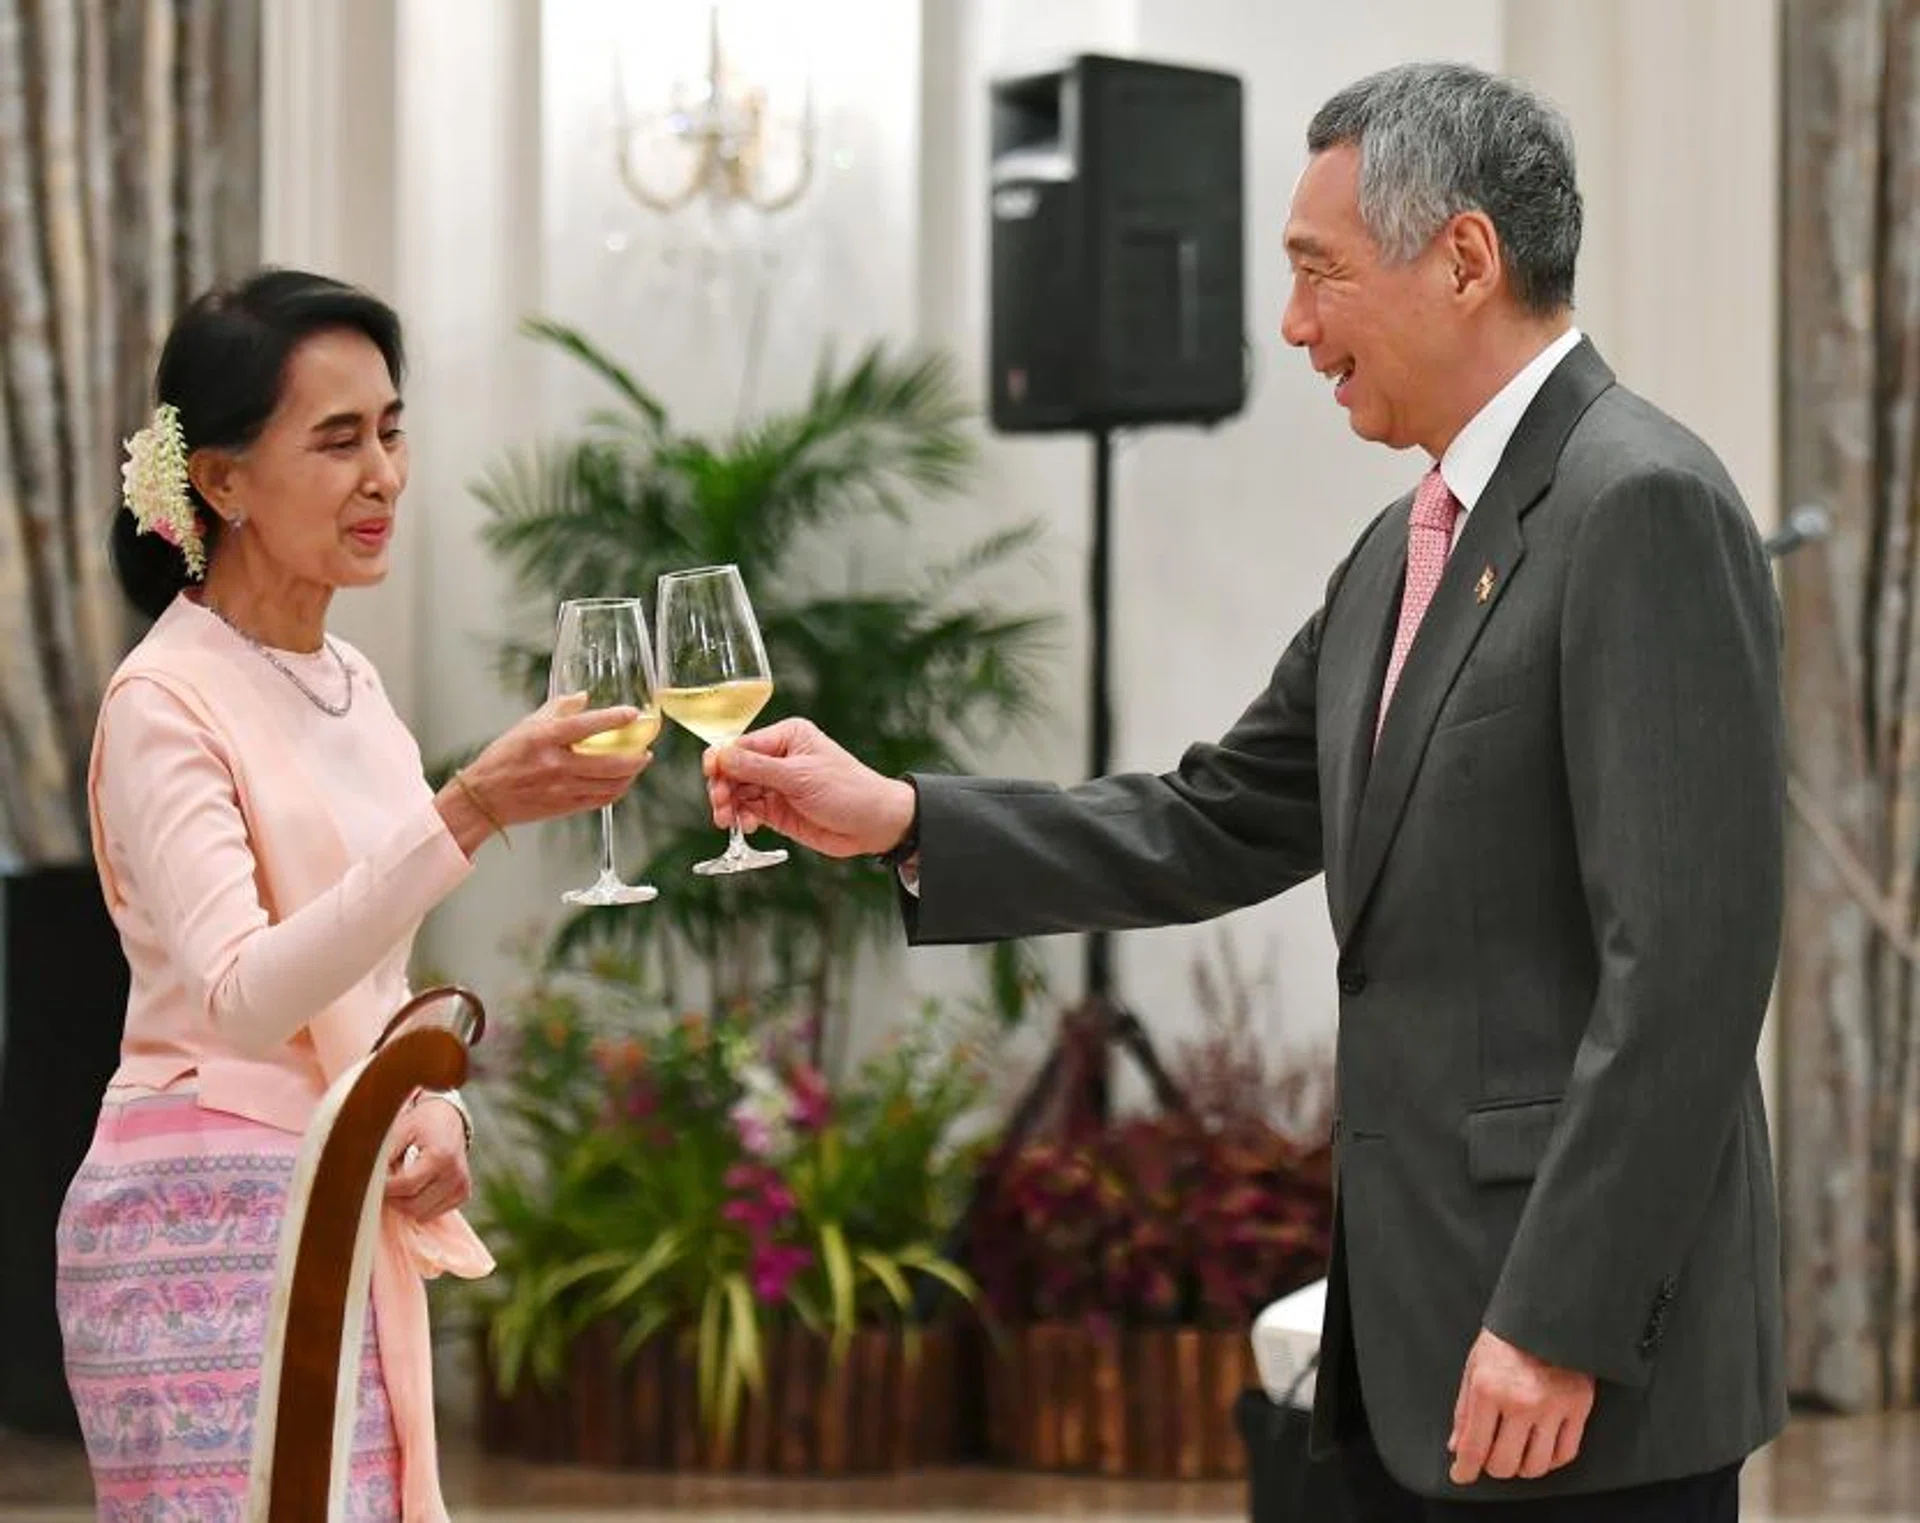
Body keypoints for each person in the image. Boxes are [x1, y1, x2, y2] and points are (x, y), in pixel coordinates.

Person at [705, 62, 1784, 1522]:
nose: (1294, 327)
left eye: (1319, 274)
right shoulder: (1401, 548)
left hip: (1564, 1363)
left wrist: (1561, 1318)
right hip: (1410, 1353)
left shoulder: (1639, 501)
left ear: (1465, 257)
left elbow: (1690, 974)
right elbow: (1210, 819)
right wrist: (903, 815)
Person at [54, 268, 651, 1522]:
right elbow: (241, 997)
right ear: (219, 481)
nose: (382, 472)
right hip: (201, 1220)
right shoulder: (166, 700)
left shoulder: (353, 683)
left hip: (336, 1200)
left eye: (390, 428)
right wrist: (472, 808)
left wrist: (426, 1098)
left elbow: (363, 981)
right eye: (336, 439)